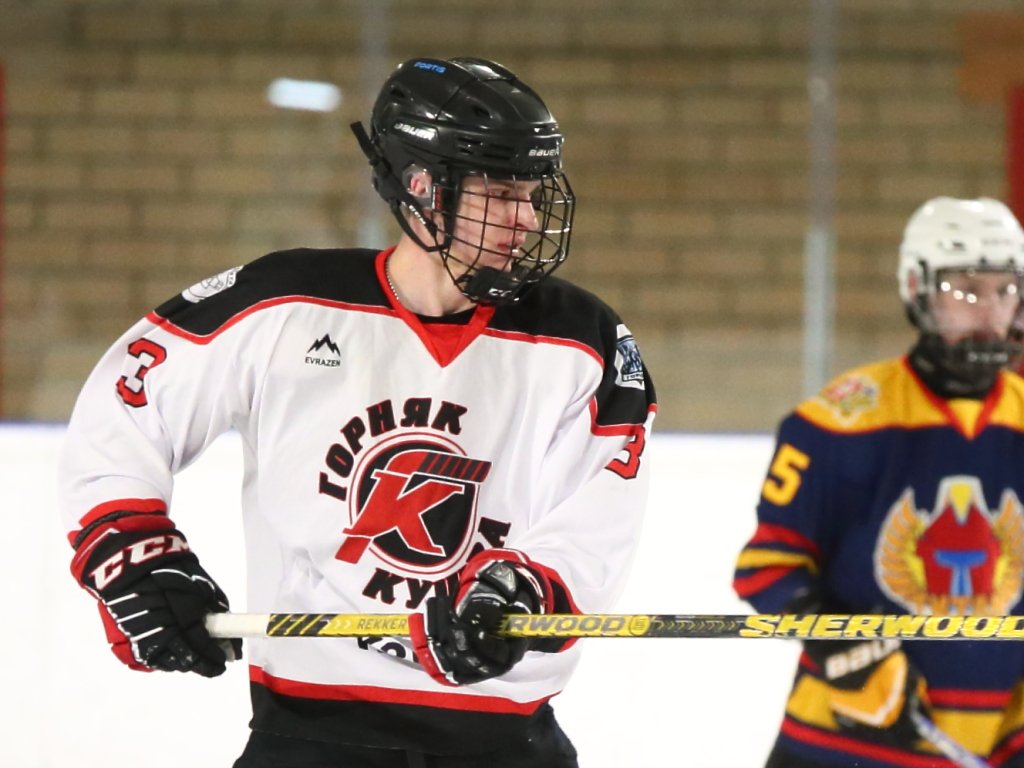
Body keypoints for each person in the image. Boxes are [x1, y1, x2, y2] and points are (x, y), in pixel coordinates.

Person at [57, 56, 657, 767]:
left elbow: (601, 514)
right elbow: (126, 409)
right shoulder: (283, 303)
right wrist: (133, 555)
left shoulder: (583, 340)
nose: (525, 218)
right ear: (422, 187)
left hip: (503, 742)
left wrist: (520, 591)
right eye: (500, 192)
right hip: (309, 736)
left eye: (531, 194)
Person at [733, 196, 1024, 767]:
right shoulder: (838, 422)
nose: (990, 312)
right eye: (967, 290)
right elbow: (768, 568)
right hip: (836, 746)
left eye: (1006, 290)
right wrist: (848, 650)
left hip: (989, 744)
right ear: (917, 289)